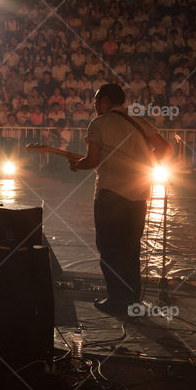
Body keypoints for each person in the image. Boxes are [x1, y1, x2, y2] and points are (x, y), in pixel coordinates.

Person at [68, 83, 171, 315]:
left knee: (109, 248)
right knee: (131, 248)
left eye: (96, 101)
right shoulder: (139, 123)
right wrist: (144, 163)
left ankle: (116, 299)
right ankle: (133, 301)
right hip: (138, 196)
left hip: (110, 195)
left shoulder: (99, 124)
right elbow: (165, 149)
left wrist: (77, 164)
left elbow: (92, 160)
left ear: (105, 101)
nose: (95, 106)